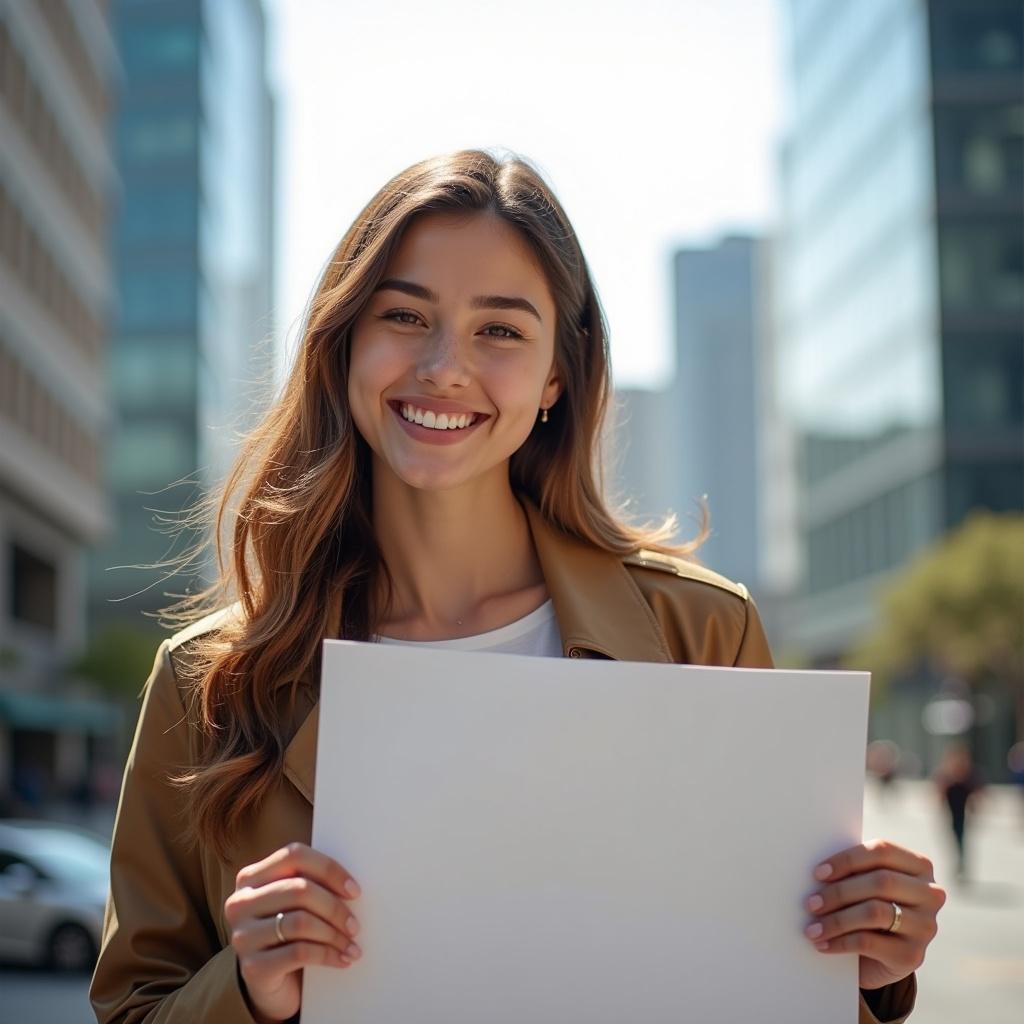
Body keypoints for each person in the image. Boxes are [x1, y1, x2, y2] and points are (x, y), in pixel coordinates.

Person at [89, 149, 944, 1024]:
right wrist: (248, 988)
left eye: (499, 329)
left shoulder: (703, 633)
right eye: (403, 315)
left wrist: (868, 974)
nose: (443, 367)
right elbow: (130, 1007)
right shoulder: (209, 679)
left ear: (556, 376)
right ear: (343, 343)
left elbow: (770, 989)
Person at [934, 744, 985, 882]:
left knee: (960, 837)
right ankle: (959, 861)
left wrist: (977, 807)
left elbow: (977, 792)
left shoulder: (967, 776)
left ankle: (961, 862)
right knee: (954, 837)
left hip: (962, 813)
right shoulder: (947, 775)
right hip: (951, 812)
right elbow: (941, 791)